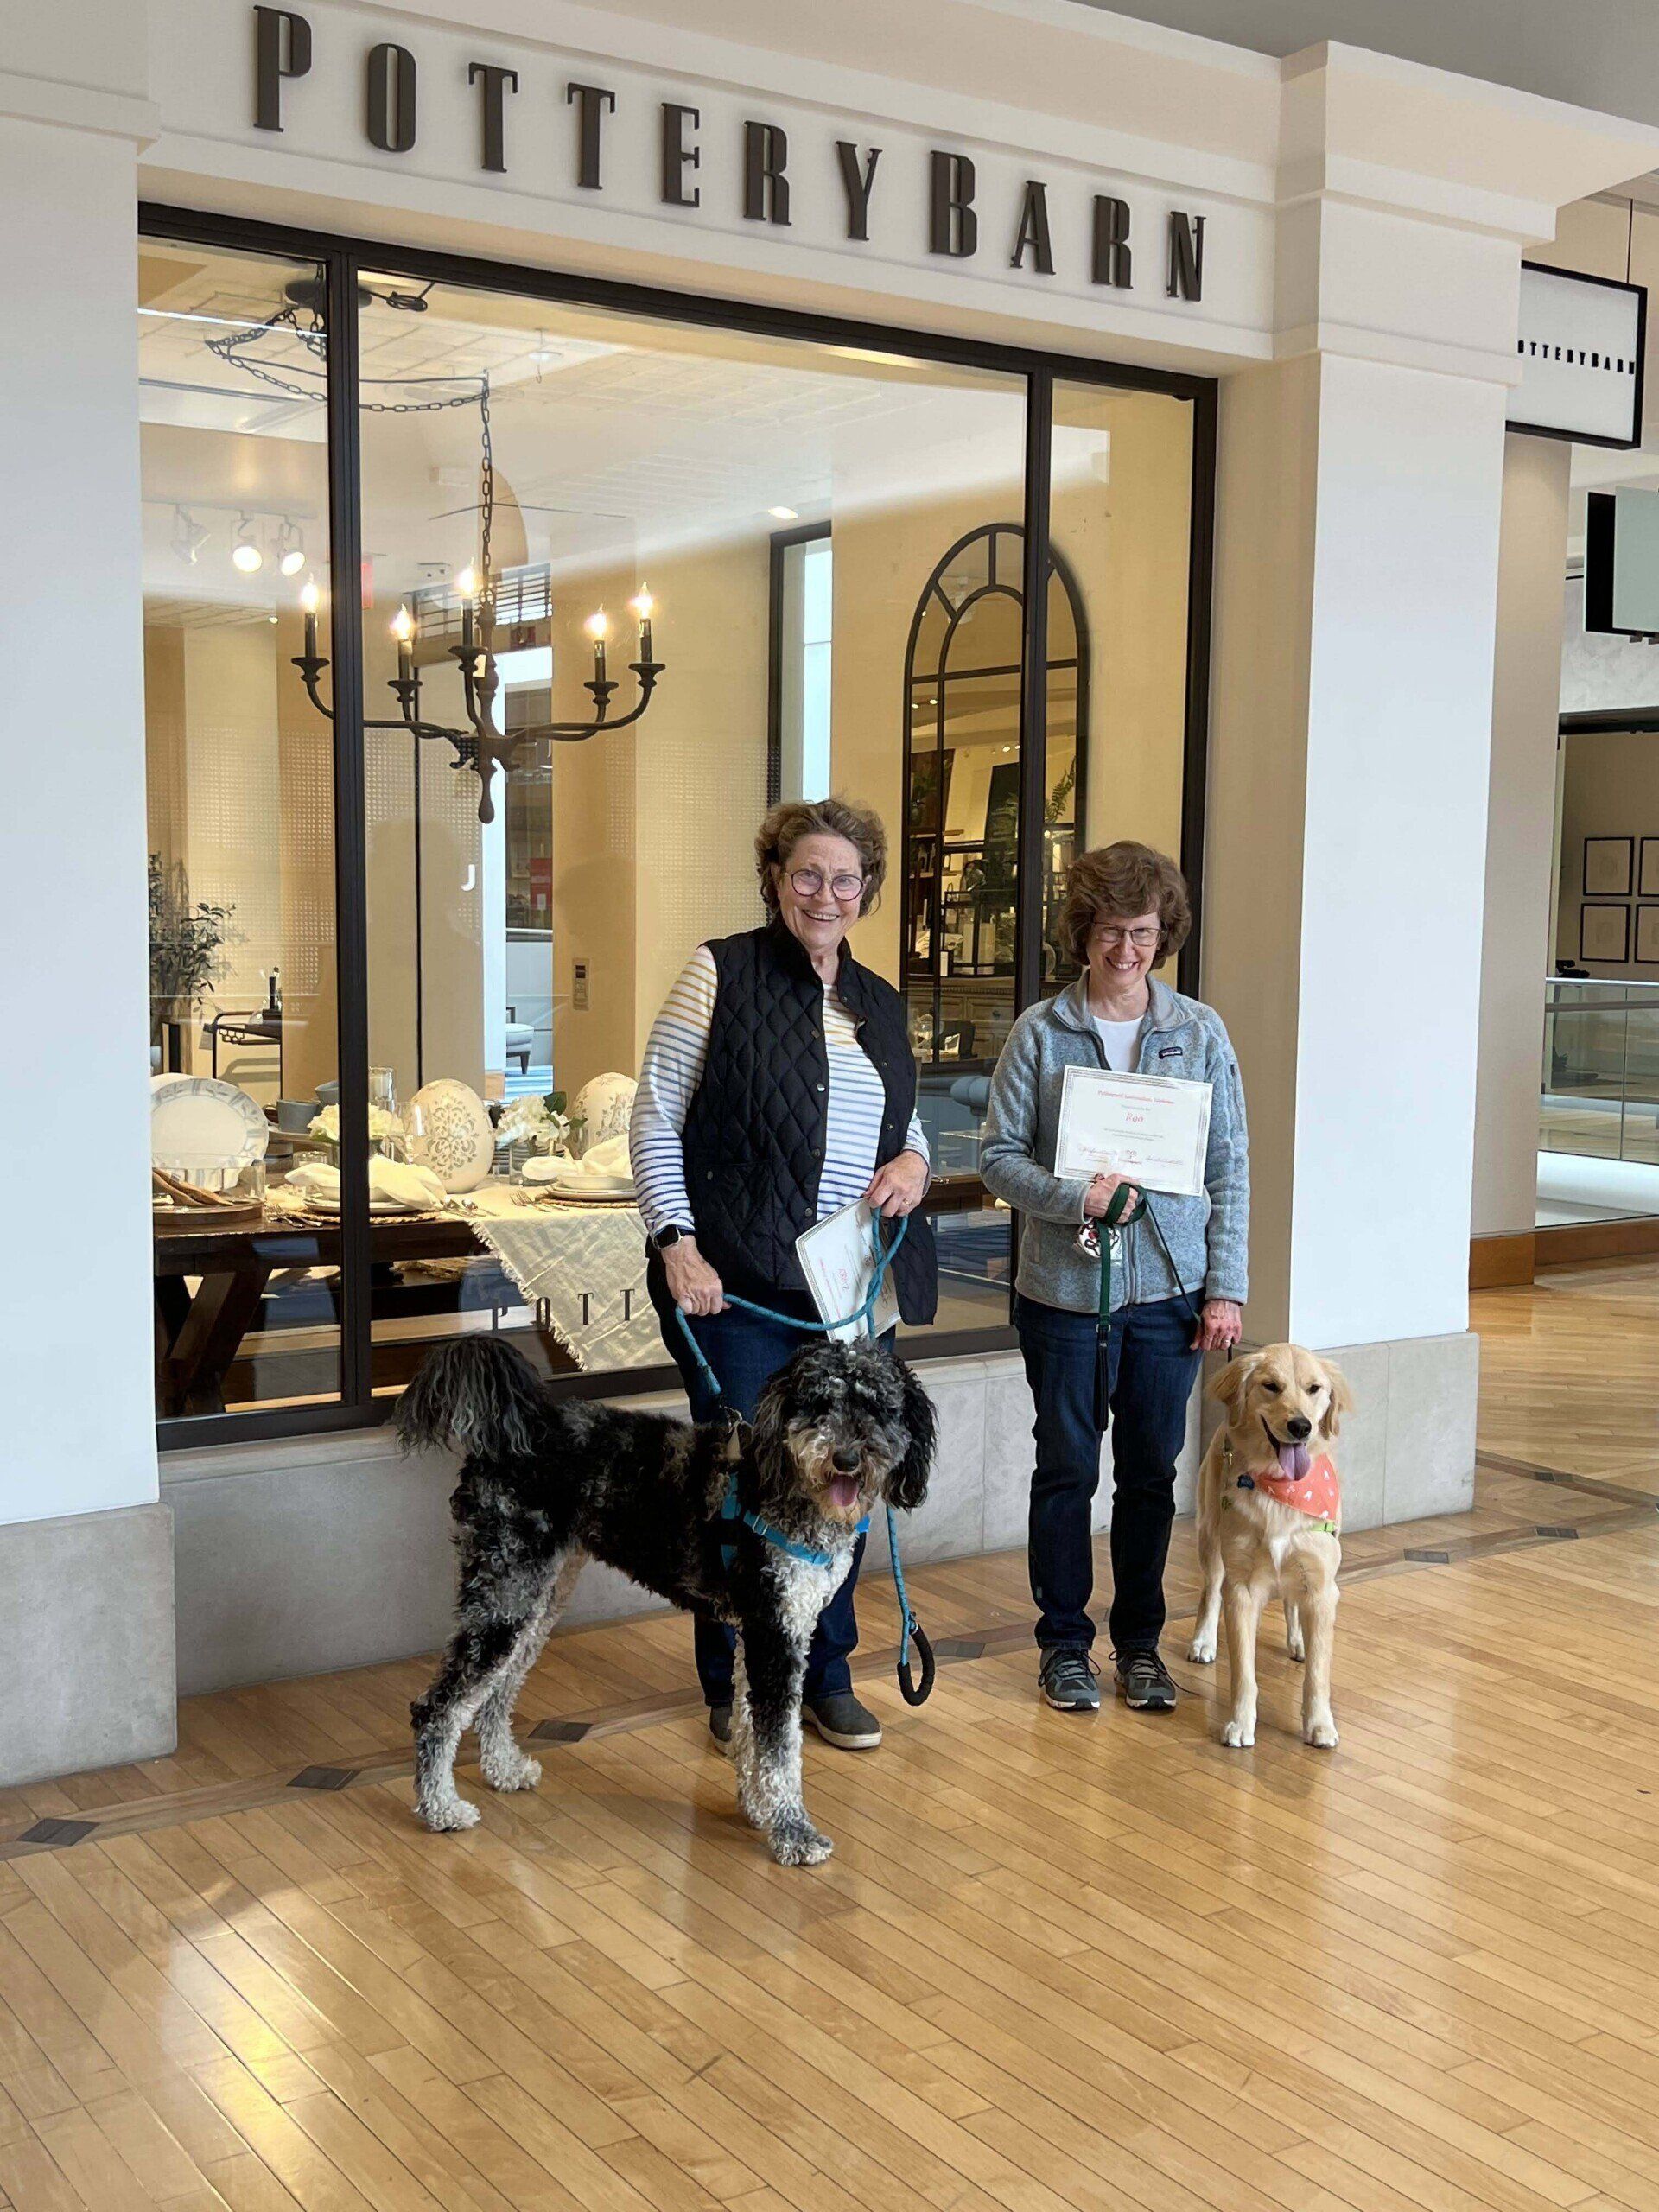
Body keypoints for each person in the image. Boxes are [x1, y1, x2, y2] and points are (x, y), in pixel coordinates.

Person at [632, 796, 938, 1753]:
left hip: (850, 1294)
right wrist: (676, 1241)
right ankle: (735, 1685)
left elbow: (904, 1123)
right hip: (738, 1286)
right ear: (774, 878)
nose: (825, 894)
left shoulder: (881, 1000)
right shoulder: (719, 971)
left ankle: (825, 1674)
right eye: (807, 874)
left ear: (866, 889)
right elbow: (654, 1116)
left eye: (845, 879)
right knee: (741, 1485)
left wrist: (914, 1163)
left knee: (847, 1479)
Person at [980, 841, 1249, 1716]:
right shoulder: (1040, 1031)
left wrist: (1224, 1288)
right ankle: (1063, 1645)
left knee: (1151, 1475)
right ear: (1082, 931)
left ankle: (1139, 1646)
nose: (1125, 950)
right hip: (1063, 1295)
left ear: (1164, 933)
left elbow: (1228, 1169)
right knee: (1065, 1471)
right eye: (1108, 930)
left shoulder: (1199, 1032)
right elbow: (996, 1158)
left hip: (1170, 1297)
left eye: (1141, 931)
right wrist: (1077, 1197)